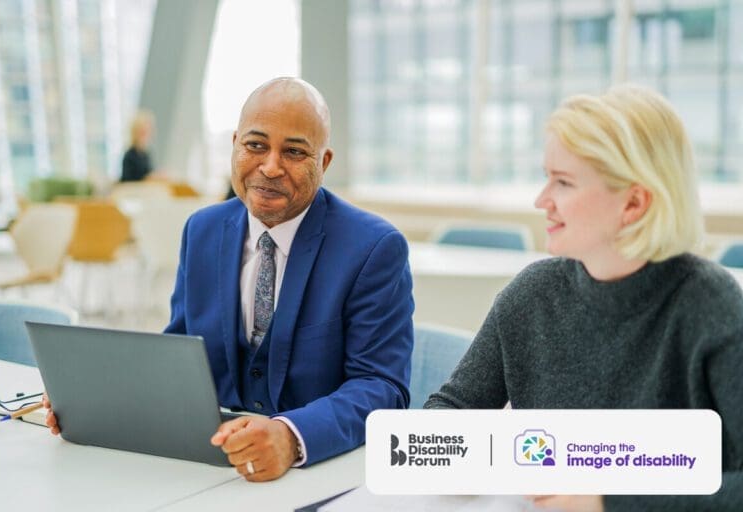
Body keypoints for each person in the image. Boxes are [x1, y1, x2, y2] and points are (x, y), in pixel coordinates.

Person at [47, 77, 414, 482]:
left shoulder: (374, 248)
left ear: (323, 162)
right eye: (256, 145)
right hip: (212, 470)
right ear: (236, 145)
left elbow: (382, 387)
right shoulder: (202, 230)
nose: (270, 166)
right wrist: (103, 400)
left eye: (293, 151)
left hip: (317, 473)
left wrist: (291, 436)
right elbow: (180, 353)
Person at [424, 84, 743, 511]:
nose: (542, 201)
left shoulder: (710, 306)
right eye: (546, 177)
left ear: (633, 203)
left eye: (564, 183)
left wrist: (608, 500)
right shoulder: (531, 294)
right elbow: (449, 412)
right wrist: (458, 456)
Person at [120, 110, 155, 182]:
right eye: (142, 132)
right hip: (133, 191)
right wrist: (148, 177)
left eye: (147, 131)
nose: (146, 135)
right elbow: (129, 180)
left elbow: (149, 173)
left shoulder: (146, 154)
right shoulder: (129, 155)